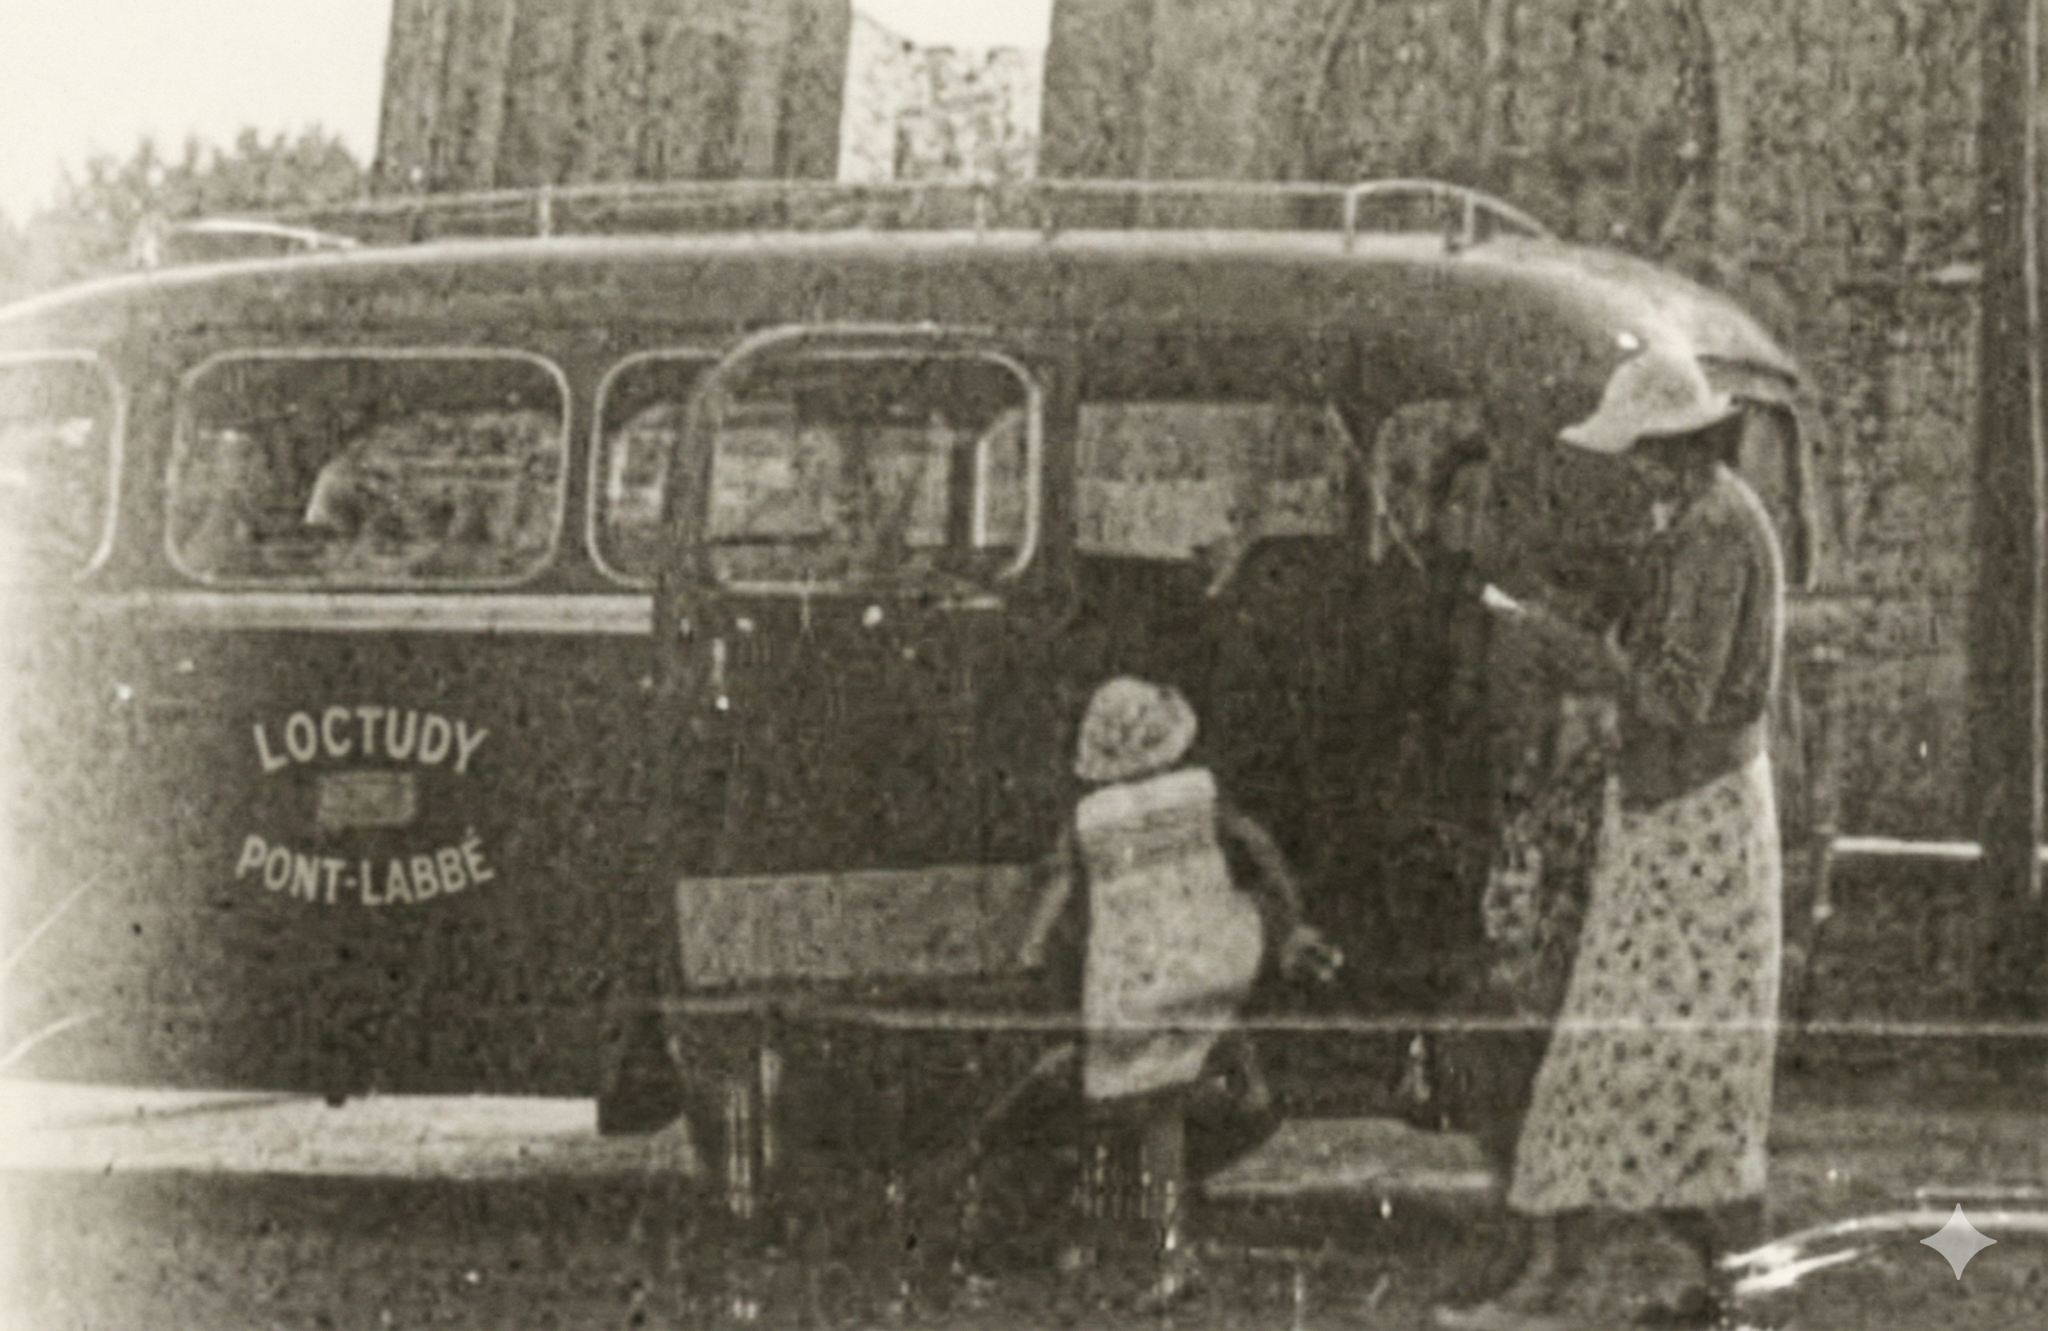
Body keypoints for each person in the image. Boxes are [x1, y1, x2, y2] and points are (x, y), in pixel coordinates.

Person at [1438, 347, 1786, 1330]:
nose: (1631, 468)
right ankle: (1704, 1286)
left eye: (1640, 449)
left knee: (1655, 1055)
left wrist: (1560, 647)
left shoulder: (1715, 530)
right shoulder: (1696, 522)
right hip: (1675, 814)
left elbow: (1676, 692)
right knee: (1655, 1058)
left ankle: (1591, 1286)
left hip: (1694, 818)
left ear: (1676, 445)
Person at [1015, 676, 1339, 1302]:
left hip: (1135, 976)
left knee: (1145, 1105)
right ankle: (1244, 1082)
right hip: (1205, 951)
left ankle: (1168, 1249)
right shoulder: (1199, 793)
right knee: (1207, 1018)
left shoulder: (1090, 818)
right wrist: (1291, 915)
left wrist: (1030, 947)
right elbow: (1257, 846)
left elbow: (1058, 881)